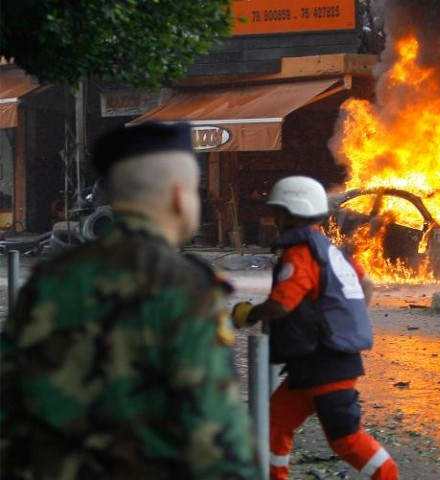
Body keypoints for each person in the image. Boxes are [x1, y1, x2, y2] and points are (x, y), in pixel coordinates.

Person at [0, 123, 262, 479]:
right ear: (177, 196)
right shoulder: (185, 287)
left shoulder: (50, 280)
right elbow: (214, 434)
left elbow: (10, 405)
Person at [232, 176, 398, 480]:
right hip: (312, 364)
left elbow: (282, 304)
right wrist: (343, 318)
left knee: (346, 441)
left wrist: (249, 314)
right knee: (274, 424)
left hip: (326, 366)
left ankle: (388, 475)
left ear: (291, 213)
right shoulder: (330, 250)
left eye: (278, 213)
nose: (275, 220)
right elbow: (366, 285)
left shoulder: (302, 253)